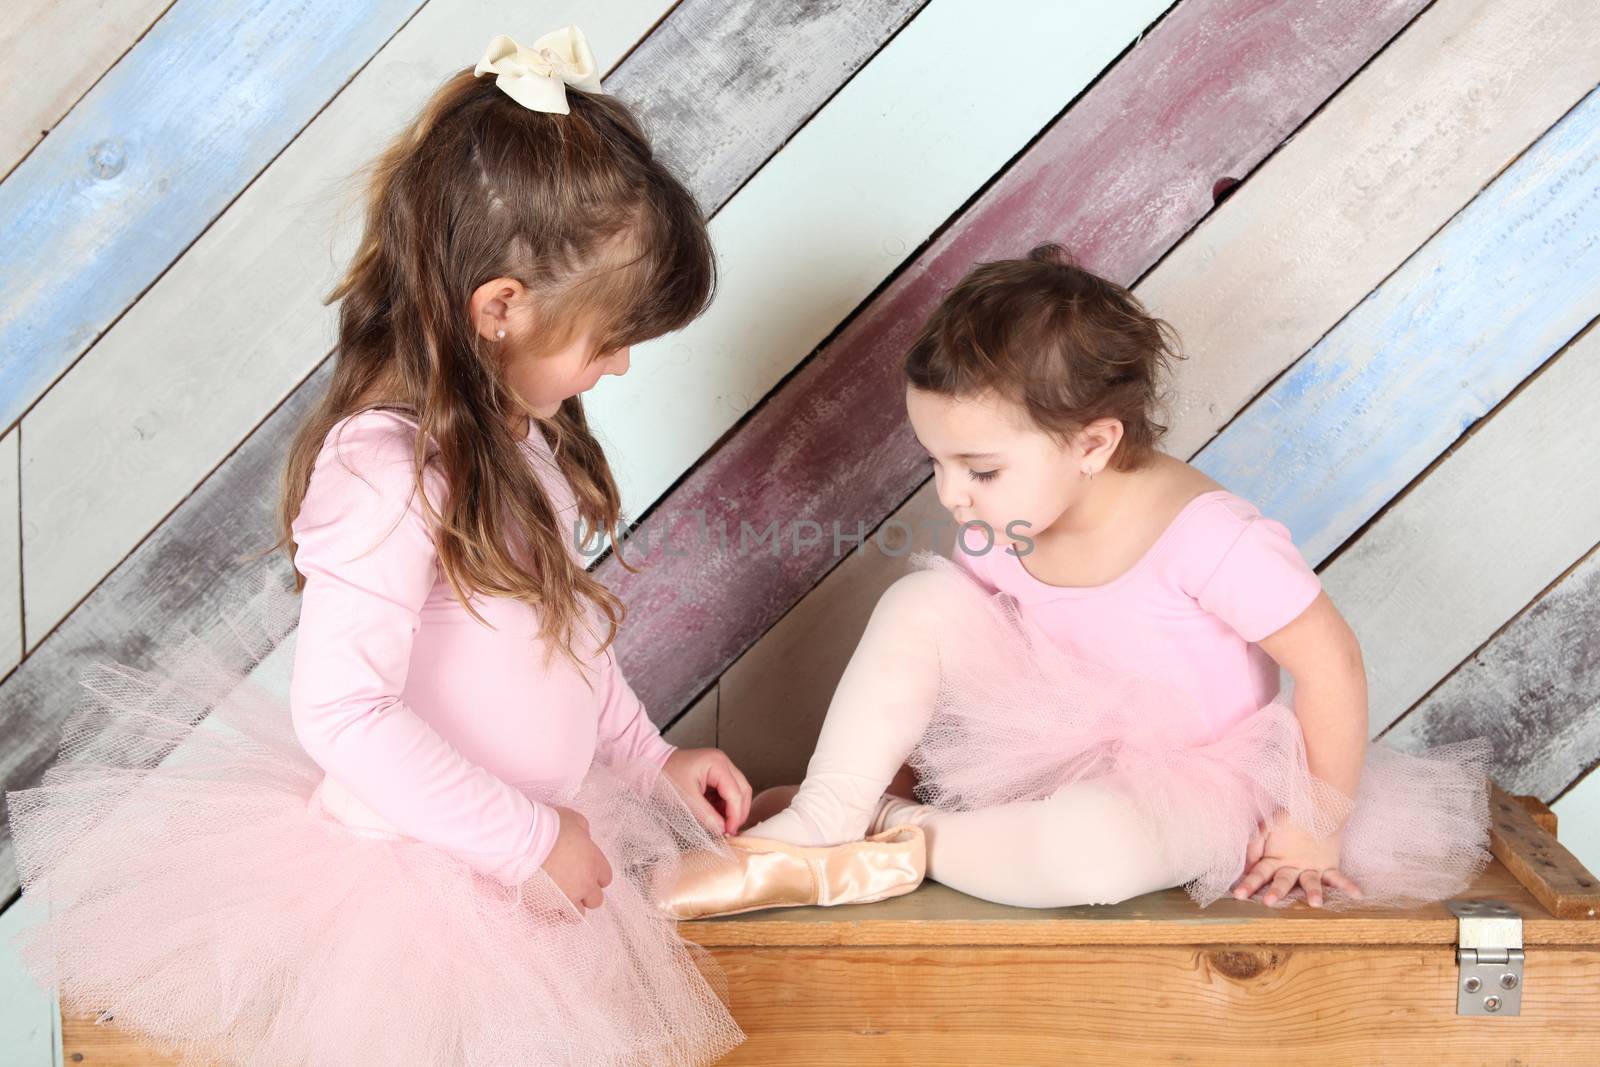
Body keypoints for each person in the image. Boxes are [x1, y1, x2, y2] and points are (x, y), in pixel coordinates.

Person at [6, 27, 754, 1066]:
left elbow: (565, 642)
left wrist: (649, 756)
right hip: (420, 886)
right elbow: (345, 712)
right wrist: (530, 838)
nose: (620, 366)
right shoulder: (390, 465)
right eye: (607, 338)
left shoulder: (519, 442)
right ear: (501, 308)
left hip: (521, 872)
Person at [727, 243, 1493, 913]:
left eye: (979, 468)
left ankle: (901, 833)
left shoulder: (1210, 536)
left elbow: (1333, 663)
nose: (949, 493)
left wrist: (1316, 824)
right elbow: (937, 666)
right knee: (920, 599)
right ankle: (833, 809)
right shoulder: (1006, 521)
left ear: (1093, 444)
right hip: (1038, 749)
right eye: (936, 461)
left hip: (1189, 782)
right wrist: (887, 763)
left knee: (1092, 854)